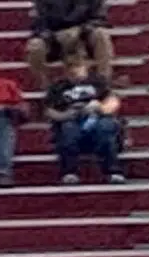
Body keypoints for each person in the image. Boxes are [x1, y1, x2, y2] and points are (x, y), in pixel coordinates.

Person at [44, 50, 120, 183]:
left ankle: (112, 171)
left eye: (77, 67)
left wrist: (100, 107)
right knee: (68, 129)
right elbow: (49, 111)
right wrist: (64, 115)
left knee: (105, 126)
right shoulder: (58, 87)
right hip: (71, 120)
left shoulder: (97, 82)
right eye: (70, 68)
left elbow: (113, 102)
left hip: (97, 117)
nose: (74, 71)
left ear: (85, 67)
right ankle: (70, 171)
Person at [24, 0, 111, 91]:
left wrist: (81, 30)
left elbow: (100, 19)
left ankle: (103, 80)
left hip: (83, 35)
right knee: (35, 46)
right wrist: (53, 36)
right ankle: (46, 85)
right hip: (53, 37)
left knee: (101, 34)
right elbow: (38, 24)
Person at [0, 49, 27, 187]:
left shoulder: (8, 85)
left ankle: (2, 172)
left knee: (3, 125)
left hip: (1, 119)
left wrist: (6, 109)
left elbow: (23, 111)